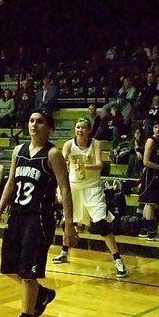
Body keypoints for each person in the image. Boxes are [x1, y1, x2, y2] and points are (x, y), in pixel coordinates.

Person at [0, 110, 77, 317]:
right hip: (17, 216)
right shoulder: (19, 150)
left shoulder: (53, 154)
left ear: (49, 127)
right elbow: (10, 183)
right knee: (9, 268)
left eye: (40, 121)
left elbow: (65, 190)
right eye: (31, 120)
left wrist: (69, 224)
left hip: (38, 219)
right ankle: (42, 293)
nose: (34, 125)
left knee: (27, 273)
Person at [51, 118, 128, 278]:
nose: (80, 130)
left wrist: (85, 165)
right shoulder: (68, 145)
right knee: (68, 222)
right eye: (77, 127)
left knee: (101, 224)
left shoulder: (96, 144)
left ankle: (118, 260)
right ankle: (64, 251)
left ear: (89, 131)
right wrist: (59, 188)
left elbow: (100, 165)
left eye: (83, 128)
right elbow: (61, 164)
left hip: (92, 188)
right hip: (74, 187)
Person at [137, 120, 159, 239]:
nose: (157, 129)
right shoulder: (151, 141)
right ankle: (151, 231)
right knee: (150, 202)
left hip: (157, 173)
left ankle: (144, 229)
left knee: (149, 203)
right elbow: (146, 162)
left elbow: (158, 158)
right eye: (155, 127)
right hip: (151, 174)